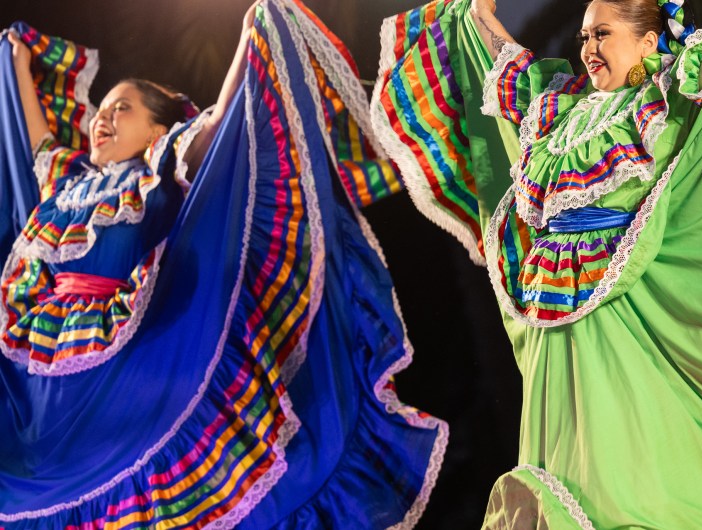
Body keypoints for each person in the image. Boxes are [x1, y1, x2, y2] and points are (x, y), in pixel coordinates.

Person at [372, 0, 702, 526]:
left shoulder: (659, 100)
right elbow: (501, 60)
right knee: (565, 473)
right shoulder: (560, 111)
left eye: (602, 34)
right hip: (555, 325)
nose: (589, 48)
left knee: (622, 478)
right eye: (582, 38)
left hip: (624, 316)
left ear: (647, 43)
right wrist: (479, 11)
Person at [0, 0, 446, 527]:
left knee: (150, 487)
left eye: (122, 108)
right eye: (102, 109)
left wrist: (249, 31)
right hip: (44, 383)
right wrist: (16, 61)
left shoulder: (158, 167)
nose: (102, 117)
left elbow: (219, 122)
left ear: (154, 129)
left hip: (128, 363)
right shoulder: (67, 184)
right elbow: (34, 144)